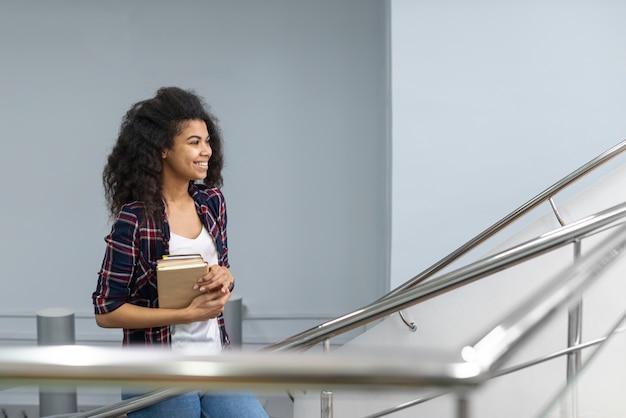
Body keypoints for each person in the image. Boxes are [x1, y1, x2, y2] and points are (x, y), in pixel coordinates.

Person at [92, 86, 268, 417]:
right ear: (162, 149)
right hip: (158, 370)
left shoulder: (212, 202)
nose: (207, 151)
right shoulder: (135, 219)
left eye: (207, 141)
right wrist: (186, 315)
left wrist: (225, 278)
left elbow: (223, 272)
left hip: (215, 360)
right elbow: (106, 311)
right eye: (194, 142)